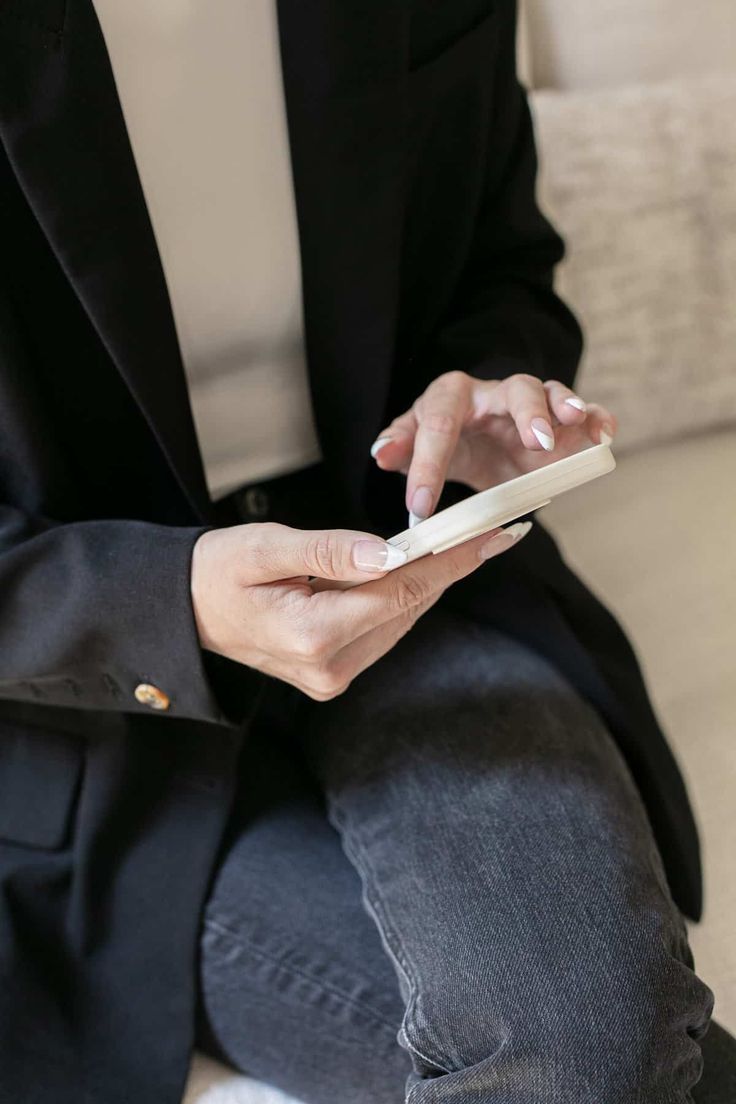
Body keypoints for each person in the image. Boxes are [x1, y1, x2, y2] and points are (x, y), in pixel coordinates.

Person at [0, 2, 729, 1102]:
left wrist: (486, 387)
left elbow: (504, 265)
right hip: (76, 714)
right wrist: (173, 601)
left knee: (605, 1047)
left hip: (413, 572)